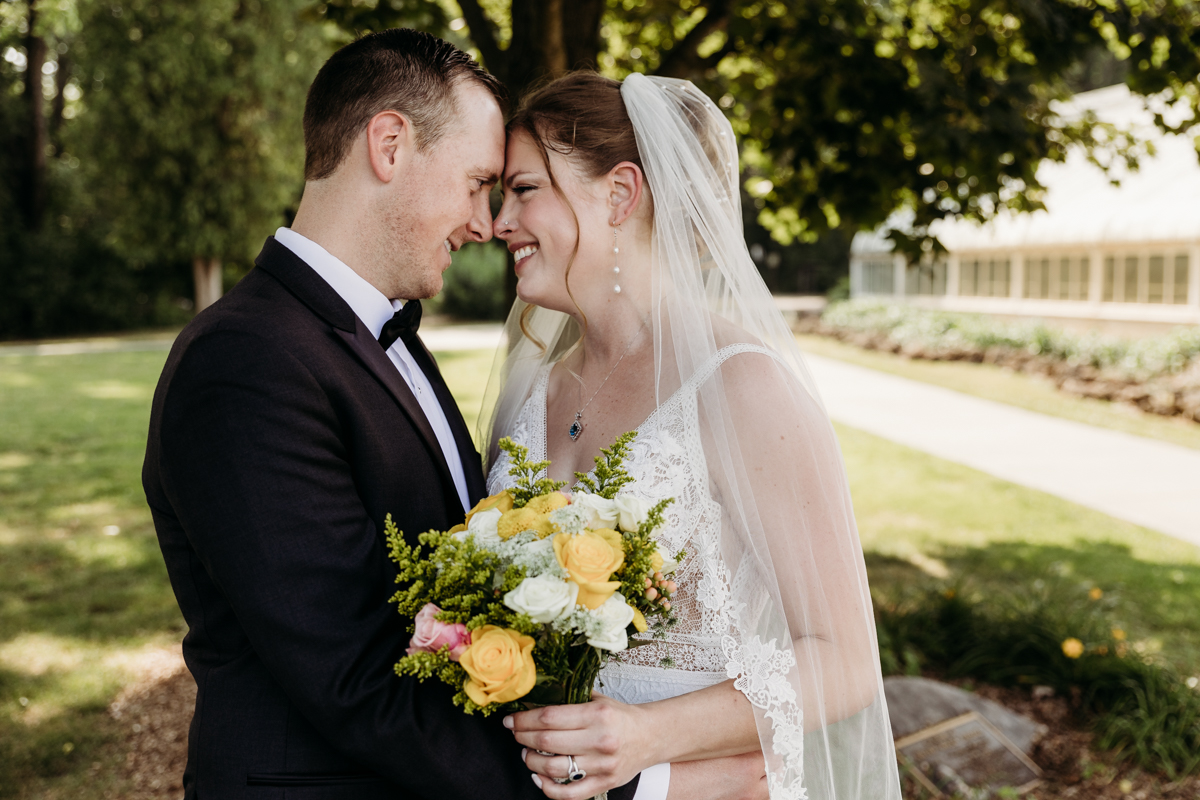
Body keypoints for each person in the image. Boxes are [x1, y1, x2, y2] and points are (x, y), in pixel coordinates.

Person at [142, 31, 642, 800]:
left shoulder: (381, 338)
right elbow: (356, 678)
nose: (485, 222)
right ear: (389, 144)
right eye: (477, 182)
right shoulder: (244, 364)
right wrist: (608, 790)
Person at [482, 72, 903, 800]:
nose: (498, 223)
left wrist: (650, 739)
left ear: (619, 193)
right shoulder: (533, 390)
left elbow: (844, 662)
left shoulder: (740, 385)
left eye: (523, 190)